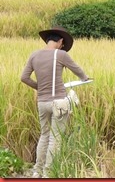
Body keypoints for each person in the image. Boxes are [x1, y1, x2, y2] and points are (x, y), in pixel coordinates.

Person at [21, 26, 90, 178]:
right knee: (55, 138)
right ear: (59, 41)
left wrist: (39, 87)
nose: (62, 46)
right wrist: (85, 78)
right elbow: (77, 69)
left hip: (42, 103)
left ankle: (36, 172)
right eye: (63, 44)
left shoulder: (34, 55)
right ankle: (48, 173)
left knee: (44, 135)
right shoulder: (61, 54)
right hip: (58, 102)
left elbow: (24, 77)